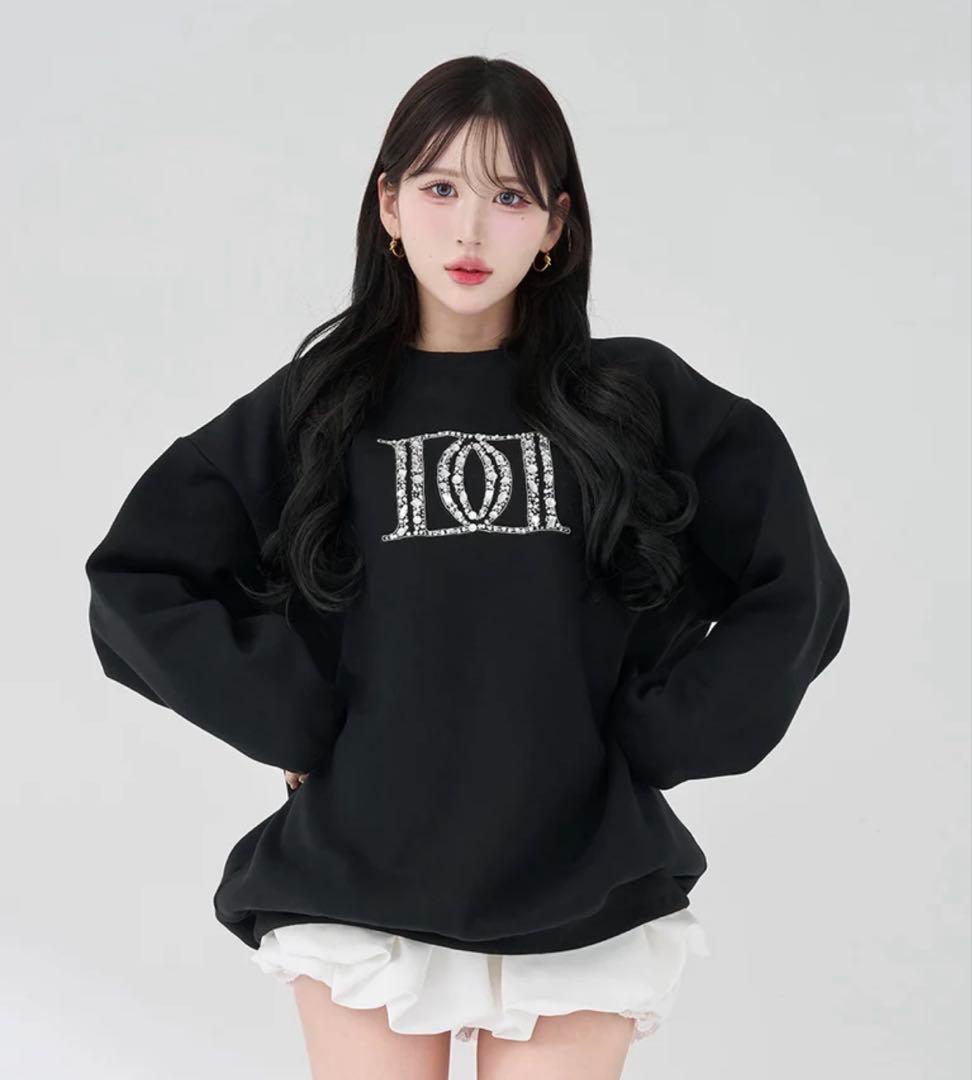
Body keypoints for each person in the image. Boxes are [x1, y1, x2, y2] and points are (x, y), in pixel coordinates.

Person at [83, 55, 850, 1080]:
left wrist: (663, 735)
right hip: (360, 878)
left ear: (557, 223)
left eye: (511, 196)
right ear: (389, 207)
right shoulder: (317, 408)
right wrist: (297, 719)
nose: (471, 231)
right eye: (441, 189)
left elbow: (793, 586)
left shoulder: (637, 399)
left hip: (585, 874)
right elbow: (140, 577)